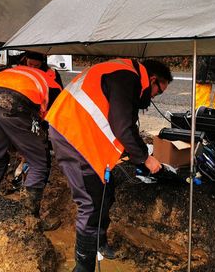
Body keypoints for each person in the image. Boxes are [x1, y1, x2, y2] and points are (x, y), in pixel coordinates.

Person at [46, 58, 172, 272]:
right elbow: (123, 127)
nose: (153, 98)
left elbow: (123, 125)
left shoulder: (124, 73)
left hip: (80, 133)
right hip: (73, 135)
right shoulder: (127, 77)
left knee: (106, 189)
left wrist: (136, 156)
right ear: (152, 79)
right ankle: (84, 266)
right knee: (91, 202)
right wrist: (145, 158)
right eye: (157, 92)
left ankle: (99, 242)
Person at [0, 64, 62, 230]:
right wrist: (35, 148)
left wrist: (23, 144)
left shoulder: (26, 73)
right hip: (16, 104)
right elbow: (52, 124)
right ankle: (29, 220)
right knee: (39, 162)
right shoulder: (54, 86)